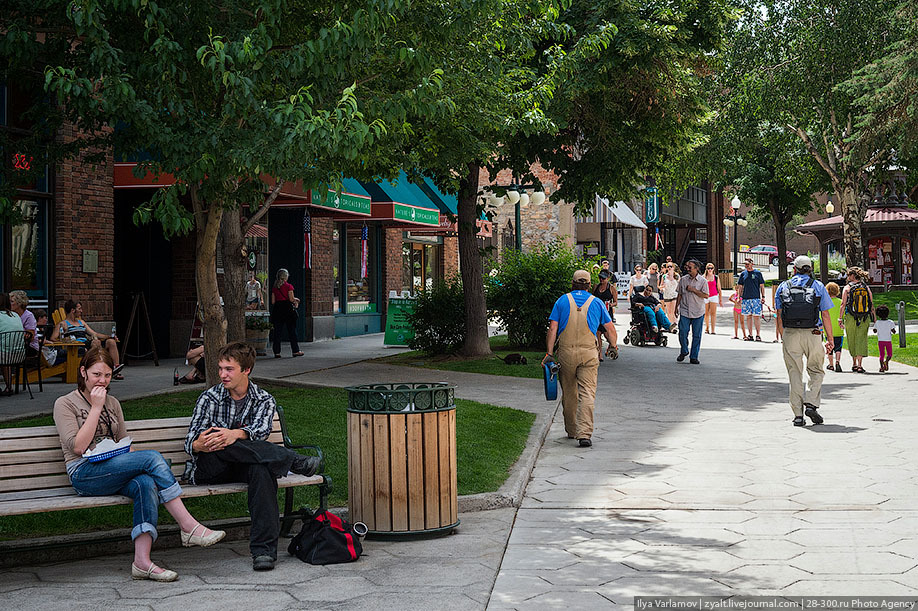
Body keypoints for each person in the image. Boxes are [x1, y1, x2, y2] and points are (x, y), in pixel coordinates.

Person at [54, 348, 226, 582]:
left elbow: (123, 443)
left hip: (113, 467)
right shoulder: (65, 403)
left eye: (107, 375)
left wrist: (142, 464)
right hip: (84, 473)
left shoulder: (112, 403)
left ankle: (142, 562)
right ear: (83, 372)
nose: (102, 380)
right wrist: (95, 408)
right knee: (152, 457)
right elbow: (78, 447)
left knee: (145, 483)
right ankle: (188, 526)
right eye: (96, 374)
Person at [184, 342, 322, 571]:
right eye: (221, 369)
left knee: (261, 469)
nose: (222, 375)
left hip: (244, 465)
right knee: (221, 438)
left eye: (229, 369)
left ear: (246, 370)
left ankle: (263, 552)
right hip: (210, 466)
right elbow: (190, 440)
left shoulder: (263, 399)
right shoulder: (209, 398)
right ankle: (293, 461)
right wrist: (200, 444)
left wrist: (235, 434)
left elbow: (261, 431)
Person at [541, 270, 617, 448]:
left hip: (566, 353)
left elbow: (552, 328)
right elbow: (610, 329)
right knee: (587, 393)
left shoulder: (562, 301)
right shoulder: (596, 302)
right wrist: (613, 346)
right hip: (588, 353)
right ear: (589, 285)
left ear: (572, 284)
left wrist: (549, 352)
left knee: (569, 393)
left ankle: (572, 429)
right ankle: (584, 434)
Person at [774, 255, 834, 427]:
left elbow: (779, 314)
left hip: (791, 333)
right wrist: (830, 339)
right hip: (813, 332)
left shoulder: (784, 286)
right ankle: (812, 403)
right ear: (810, 269)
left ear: (794, 269)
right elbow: (825, 314)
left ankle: (798, 415)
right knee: (816, 370)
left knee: (794, 373)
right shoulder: (818, 286)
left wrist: (783, 336)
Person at [51, 300, 124, 379]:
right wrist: (65, 341)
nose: (81, 311)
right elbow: (53, 338)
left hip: (87, 343)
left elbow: (94, 334)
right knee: (96, 343)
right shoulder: (63, 324)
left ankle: (115, 368)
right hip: (77, 346)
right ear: (73, 310)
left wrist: (109, 337)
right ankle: (100, 369)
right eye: (79, 309)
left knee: (111, 342)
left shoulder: (81, 322)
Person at [839, 266, 875, 373]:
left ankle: (854, 363)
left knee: (852, 338)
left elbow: (843, 304)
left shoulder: (847, 288)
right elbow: (871, 304)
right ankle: (860, 365)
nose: (847, 277)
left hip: (850, 316)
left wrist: (840, 319)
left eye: (848, 275)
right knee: (862, 338)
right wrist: (875, 319)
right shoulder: (866, 287)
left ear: (852, 276)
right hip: (864, 317)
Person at [674, 260, 709, 364]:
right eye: (687, 267)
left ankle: (694, 356)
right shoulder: (683, 280)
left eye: (690, 267)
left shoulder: (703, 281)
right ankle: (684, 350)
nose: (687, 269)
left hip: (698, 311)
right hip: (685, 310)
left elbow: (706, 295)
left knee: (697, 335)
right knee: (682, 332)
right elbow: (680, 294)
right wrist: (676, 307)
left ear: (696, 268)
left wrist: (694, 290)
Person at [270, 268, 303, 358]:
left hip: (277, 309)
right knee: (292, 331)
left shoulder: (274, 287)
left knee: (277, 332)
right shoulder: (289, 286)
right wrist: (297, 300)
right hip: (287, 309)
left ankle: (277, 352)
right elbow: (291, 299)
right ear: (285, 277)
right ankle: (295, 350)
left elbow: (273, 301)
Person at [0, 293, 25, 395]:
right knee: (5, 351)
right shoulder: (16, 315)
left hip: (5, 356)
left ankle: (8, 387)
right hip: (19, 355)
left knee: (4, 352)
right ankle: (9, 386)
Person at [592, 269, 619, 360]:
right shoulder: (596, 287)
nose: (601, 280)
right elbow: (592, 298)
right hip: (597, 313)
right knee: (598, 333)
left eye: (603, 278)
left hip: (607, 313)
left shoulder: (611, 288)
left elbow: (616, 302)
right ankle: (599, 354)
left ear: (607, 278)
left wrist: (610, 304)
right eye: (600, 278)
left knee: (607, 334)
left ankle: (612, 346)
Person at [736, 258, 766, 341]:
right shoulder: (743, 274)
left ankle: (758, 335)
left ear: (752, 264)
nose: (746, 266)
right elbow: (740, 287)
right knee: (748, 317)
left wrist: (763, 297)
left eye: (748, 264)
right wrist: (739, 297)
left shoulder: (757, 273)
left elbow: (762, 286)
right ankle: (750, 334)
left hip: (756, 298)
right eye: (745, 264)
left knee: (756, 317)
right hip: (746, 298)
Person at [9, 290, 38, 357]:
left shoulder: (29, 316)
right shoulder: (11, 315)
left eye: (12, 301)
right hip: (14, 345)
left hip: (29, 346)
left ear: (19, 303)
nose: (9, 304)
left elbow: (30, 337)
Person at [825, 282, 844, 372]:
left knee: (829, 347)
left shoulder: (825, 302)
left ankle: (831, 364)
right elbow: (843, 314)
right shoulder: (841, 302)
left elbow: (822, 316)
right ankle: (837, 362)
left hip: (828, 329)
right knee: (838, 347)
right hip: (838, 329)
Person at [872, 305, 897, 372]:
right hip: (888, 341)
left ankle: (881, 367)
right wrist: (893, 331)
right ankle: (886, 361)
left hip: (880, 341)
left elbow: (874, 331)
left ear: (878, 315)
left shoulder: (877, 322)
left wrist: (876, 329)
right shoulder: (890, 322)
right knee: (889, 354)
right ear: (887, 313)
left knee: (881, 355)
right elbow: (893, 331)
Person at [703, 263, 723, 334]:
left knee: (713, 313)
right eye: (708, 268)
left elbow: (719, 289)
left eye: (711, 268)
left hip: (714, 296)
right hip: (706, 296)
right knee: (706, 313)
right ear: (706, 269)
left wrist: (720, 300)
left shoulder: (716, 277)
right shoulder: (703, 277)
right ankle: (707, 327)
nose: (710, 270)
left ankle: (713, 329)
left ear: (713, 269)